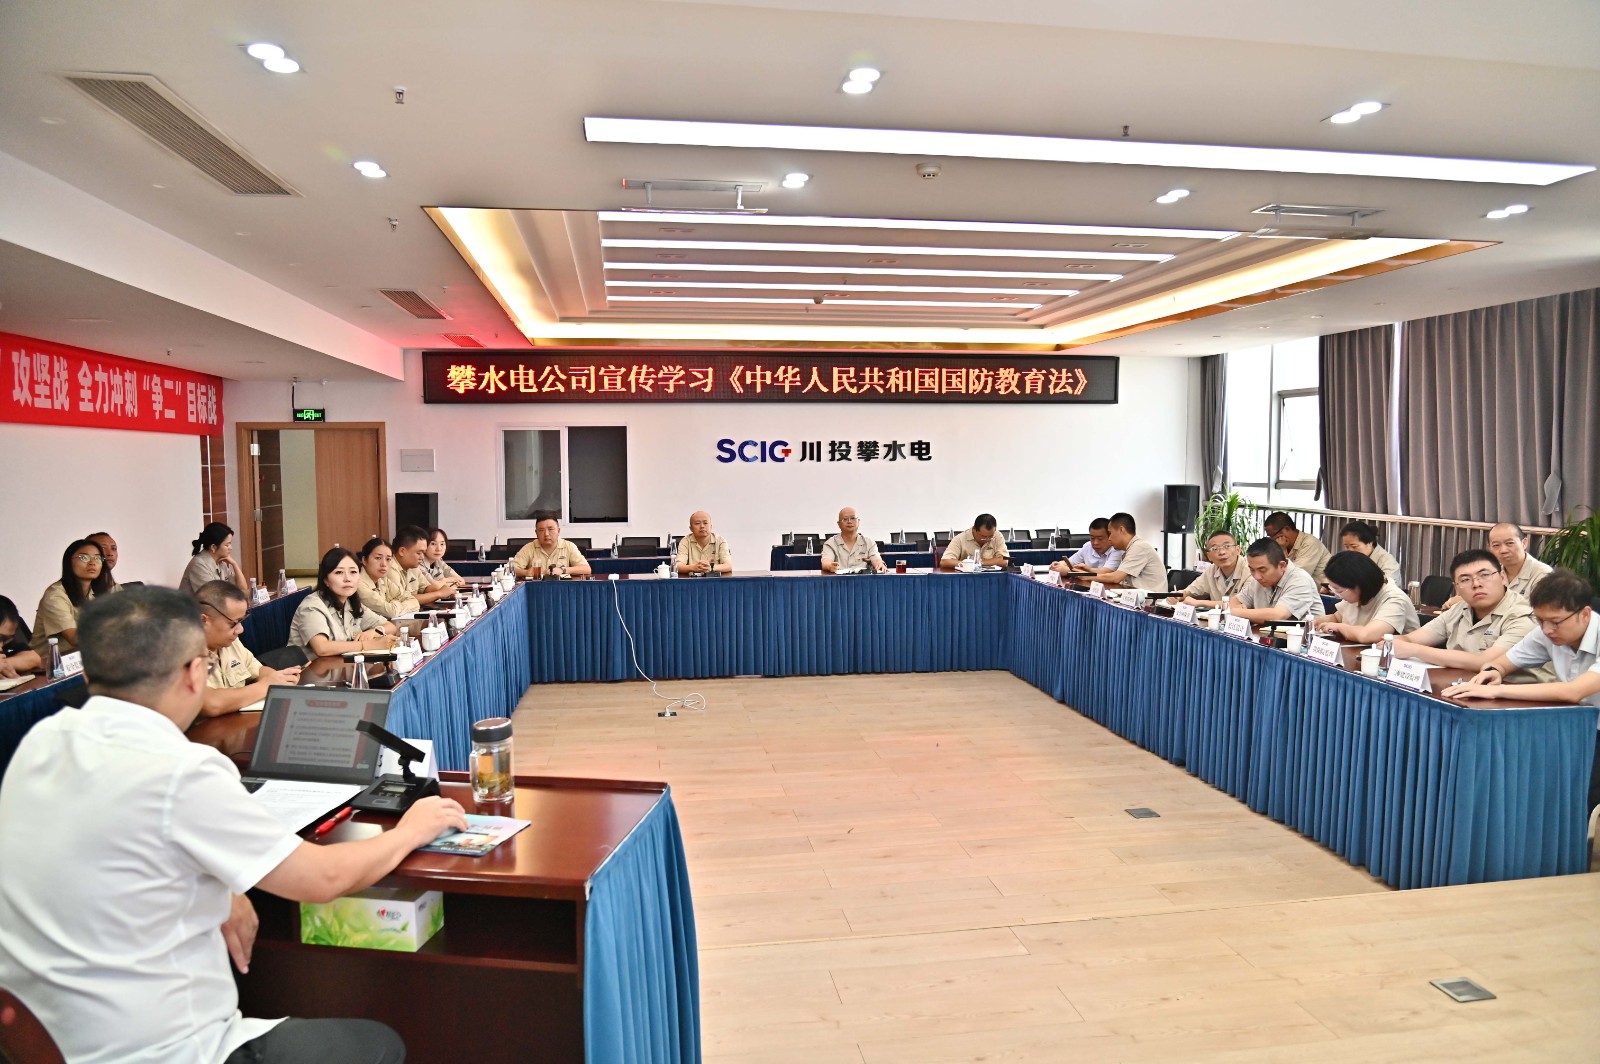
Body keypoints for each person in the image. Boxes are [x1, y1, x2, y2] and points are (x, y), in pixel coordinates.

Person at [0, 585, 465, 1064]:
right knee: (380, 1044)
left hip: (45, 1040)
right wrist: (411, 830)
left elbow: (108, 848)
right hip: (164, 1052)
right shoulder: (180, 769)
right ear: (194, 673)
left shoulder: (40, 742)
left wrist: (223, 887)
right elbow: (321, 878)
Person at [1444, 570, 1600, 815]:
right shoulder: (1546, 631)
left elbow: (1574, 692)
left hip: (1593, 730)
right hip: (1572, 726)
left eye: (1555, 622)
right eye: (1540, 620)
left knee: (1580, 799)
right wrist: (1494, 671)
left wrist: (1497, 692)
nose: (1547, 630)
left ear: (1585, 614)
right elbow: (1503, 662)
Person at [1391, 549, 1549, 680]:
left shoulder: (1523, 615)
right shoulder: (1459, 609)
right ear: (1457, 588)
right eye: (1465, 579)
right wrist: (1392, 643)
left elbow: (1487, 661)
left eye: (1484, 575)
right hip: (1464, 686)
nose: (1476, 584)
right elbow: (1411, 639)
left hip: (1518, 696)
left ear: (1502, 577)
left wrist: (1415, 650)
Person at [194, 580, 303, 717]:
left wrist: (279, 679)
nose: (240, 629)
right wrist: (265, 686)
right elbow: (211, 703)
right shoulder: (184, 652)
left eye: (241, 621)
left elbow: (258, 670)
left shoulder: (230, 643)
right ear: (203, 620)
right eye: (233, 623)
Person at [289, 547, 398, 656]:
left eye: (353, 572)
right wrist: (367, 645)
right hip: (313, 666)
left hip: (343, 664)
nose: (348, 579)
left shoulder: (350, 603)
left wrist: (374, 632)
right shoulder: (311, 606)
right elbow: (322, 648)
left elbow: (390, 626)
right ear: (325, 580)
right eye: (339, 572)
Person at [31, 538, 115, 655]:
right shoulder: (55, 595)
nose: (92, 563)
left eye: (97, 558)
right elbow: (75, 639)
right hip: (48, 661)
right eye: (84, 558)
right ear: (69, 562)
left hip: (83, 657)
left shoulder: (97, 592)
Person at [1313, 550, 1420, 642]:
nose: (1336, 595)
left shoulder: (1394, 599)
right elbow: (1338, 618)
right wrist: (1320, 622)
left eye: (1338, 590)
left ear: (1359, 585)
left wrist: (1338, 627)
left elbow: (1368, 635)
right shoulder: (1358, 595)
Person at [1227, 538, 1327, 623]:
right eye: (1252, 570)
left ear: (1282, 566)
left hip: (1305, 638)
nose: (1256, 576)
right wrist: (1237, 608)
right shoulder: (1259, 580)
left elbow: (1278, 616)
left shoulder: (1300, 580)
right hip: (1268, 636)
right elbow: (1235, 601)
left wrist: (1238, 612)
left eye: (1262, 570)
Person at [1077, 512, 1166, 592]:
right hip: (1135, 598)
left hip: (1151, 602)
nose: (1109, 538)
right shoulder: (1130, 548)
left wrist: (1087, 576)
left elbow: (1116, 577)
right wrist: (1089, 571)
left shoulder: (1139, 547)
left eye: (1110, 533)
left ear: (1121, 530)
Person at [1173, 530, 1250, 606]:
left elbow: (1240, 604)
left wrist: (1199, 603)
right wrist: (1178, 595)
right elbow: (1191, 591)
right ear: (1209, 556)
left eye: (1227, 546)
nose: (1222, 552)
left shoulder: (1251, 570)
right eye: (1215, 549)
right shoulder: (1212, 570)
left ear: (1238, 550)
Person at [388, 526, 456, 610]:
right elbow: (403, 600)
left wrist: (447, 590)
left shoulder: (413, 567)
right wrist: (439, 593)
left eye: (423, 553)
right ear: (402, 551)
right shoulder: (390, 567)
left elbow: (426, 588)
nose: (422, 557)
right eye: (419, 553)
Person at [514, 512, 593, 578]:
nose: (546, 534)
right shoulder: (529, 548)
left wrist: (563, 570)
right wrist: (526, 572)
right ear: (536, 533)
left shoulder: (569, 546)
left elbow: (586, 569)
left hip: (561, 588)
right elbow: (511, 569)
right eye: (541, 530)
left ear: (558, 531)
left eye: (550, 529)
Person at [1262, 511, 1331, 586]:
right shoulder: (1282, 544)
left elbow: (1295, 576)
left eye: (1273, 535)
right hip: (1299, 587)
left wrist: (1282, 550)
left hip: (1324, 590)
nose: (1272, 539)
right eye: (1269, 536)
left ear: (1287, 529)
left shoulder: (1310, 543)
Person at [356, 537, 417, 621]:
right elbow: (391, 612)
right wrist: (396, 604)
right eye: (378, 558)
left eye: (388, 559)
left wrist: (393, 605)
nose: (384, 564)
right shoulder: (358, 584)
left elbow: (413, 601)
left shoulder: (383, 579)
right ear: (364, 560)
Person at [1488, 522, 1553, 598]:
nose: (1503, 550)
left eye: (1509, 543)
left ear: (1524, 543)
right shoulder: (1491, 572)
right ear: (1489, 548)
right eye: (1496, 545)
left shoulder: (1542, 573)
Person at [183, 522, 250, 597]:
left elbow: (242, 589)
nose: (231, 548)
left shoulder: (221, 562)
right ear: (213, 547)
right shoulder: (199, 565)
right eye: (227, 545)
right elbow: (213, 598)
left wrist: (234, 564)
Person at [821, 507, 887, 574]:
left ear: (858, 521)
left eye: (853, 518)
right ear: (839, 524)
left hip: (863, 580)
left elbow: (876, 559)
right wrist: (830, 566)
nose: (849, 521)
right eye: (845, 519)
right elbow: (826, 561)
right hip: (839, 580)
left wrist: (879, 564)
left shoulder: (869, 543)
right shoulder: (830, 543)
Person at [1050, 517, 1122, 577]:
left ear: (1110, 536)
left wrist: (1070, 571)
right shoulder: (1088, 546)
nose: (1095, 543)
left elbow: (1105, 572)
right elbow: (1069, 562)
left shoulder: (1117, 549)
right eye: (1092, 538)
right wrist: (1057, 565)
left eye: (1100, 539)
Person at [1339, 521, 1401, 586]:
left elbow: (1387, 587)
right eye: (1346, 547)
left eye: (1354, 546)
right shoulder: (1350, 558)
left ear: (1370, 542)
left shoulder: (1387, 562)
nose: (1350, 550)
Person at [940, 514, 1009, 571]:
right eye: (983, 536)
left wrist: (978, 563)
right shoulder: (960, 539)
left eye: (991, 536)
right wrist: (967, 564)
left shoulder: (997, 536)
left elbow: (1004, 561)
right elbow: (945, 561)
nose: (987, 539)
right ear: (974, 529)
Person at [676, 511, 733, 575]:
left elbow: (728, 566)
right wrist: (693, 567)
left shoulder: (720, 541)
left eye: (705, 523)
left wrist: (711, 568)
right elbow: (678, 566)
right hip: (692, 580)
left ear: (711, 526)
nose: (702, 526)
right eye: (697, 523)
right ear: (691, 528)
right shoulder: (685, 541)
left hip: (715, 580)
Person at [0, 595, 43, 679]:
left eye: (5, 640)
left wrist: (3, 664)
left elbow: (34, 658)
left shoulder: (8, 634)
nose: (1, 646)